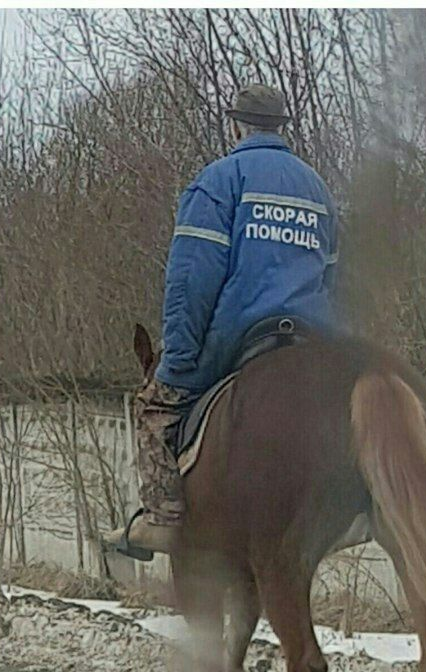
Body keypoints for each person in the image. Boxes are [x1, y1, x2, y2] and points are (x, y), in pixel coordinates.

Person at [110, 83, 339, 560]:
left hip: (239, 335)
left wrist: (179, 359)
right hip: (313, 341)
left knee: (153, 408)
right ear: (280, 127)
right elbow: (334, 278)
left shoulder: (219, 181)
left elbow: (191, 281)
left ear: (236, 126)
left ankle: (162, 521)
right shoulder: (316, 188)